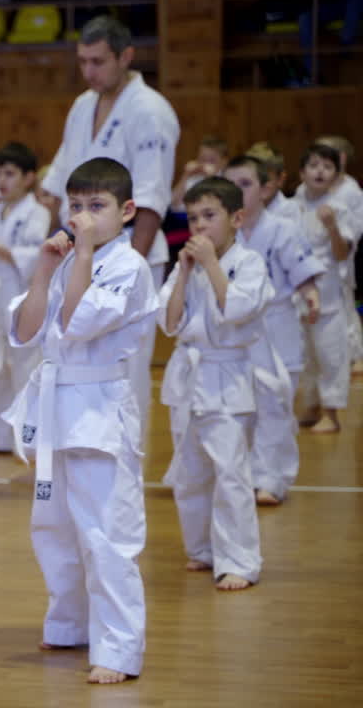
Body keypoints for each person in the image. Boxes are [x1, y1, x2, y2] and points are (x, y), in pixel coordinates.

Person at [2, 157, 159, 684]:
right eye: (76, 206)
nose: (83, 217)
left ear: (127, 211)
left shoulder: (127, 265)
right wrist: (46, 269)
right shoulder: (68, 260)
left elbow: (75, 322)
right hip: (55, 405)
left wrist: (85, 251)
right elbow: (26, 330)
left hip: (98, 407)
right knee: (54, 525)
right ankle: (70, 622)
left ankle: (118, 646)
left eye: (97, 206)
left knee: (105, 531)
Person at [39, 15, 177, 440]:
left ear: (126, 56)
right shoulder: (83, 105)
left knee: (123, 367)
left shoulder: (150, 111)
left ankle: (124, 455)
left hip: (126, 254)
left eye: (98, 61)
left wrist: (128, 264)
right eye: (83, 61)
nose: (89, 71)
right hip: (79, 253)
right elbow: (59, 185)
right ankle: (79, 448)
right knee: (77, 358)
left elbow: (151, 198)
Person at [160, 177, 271, 591]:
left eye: (210, 216)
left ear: (236, 219)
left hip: (227, 379)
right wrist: (187, 273)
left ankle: (240, 559)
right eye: (192, 218)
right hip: (188, 378)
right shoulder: (184, 265)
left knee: (231, 473)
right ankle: (202, 549)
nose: (199, 227)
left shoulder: (250, 262)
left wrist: (209, 265)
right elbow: (170, 323)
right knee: (190, 472)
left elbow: (238, 309)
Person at [224, 156, 324, 506]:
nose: (237, 191)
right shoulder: (223, 232)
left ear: (266, 189)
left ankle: (271, 479)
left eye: (245, 184)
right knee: (241, 411)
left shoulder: (281, 228)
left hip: (277, 325)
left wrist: (310, 296)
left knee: (276, 407)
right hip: (236, 332)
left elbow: (302, 271)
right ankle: (241, 477)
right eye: (230, 184)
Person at [0, 141, 50, 452]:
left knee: (25, 371)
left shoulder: (38, 213)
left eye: (9, 173)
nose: (2, 180)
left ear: (28, 177)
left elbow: (36, 257)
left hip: (21, 298)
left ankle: (31, 439)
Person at [293, 143, 357, 434]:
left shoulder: (340, 208)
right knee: (303, 354)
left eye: (327, 167)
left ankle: (331, 413)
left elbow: (343, 253)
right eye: (314, 165)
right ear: (302, 172)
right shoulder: (291, 206)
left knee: (330, 353)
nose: (320, 171)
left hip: (328, 291)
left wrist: (331, 226)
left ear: (336, 175)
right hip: (295, 293)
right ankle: (310, 405)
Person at [169, 135, 227, 213]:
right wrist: (185, 175)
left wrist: (210, 179)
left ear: (223, 162)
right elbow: (173, 203)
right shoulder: (194, 178)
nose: (205, 164)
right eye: (202, 159)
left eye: (211, 160)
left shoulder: (226, 180)